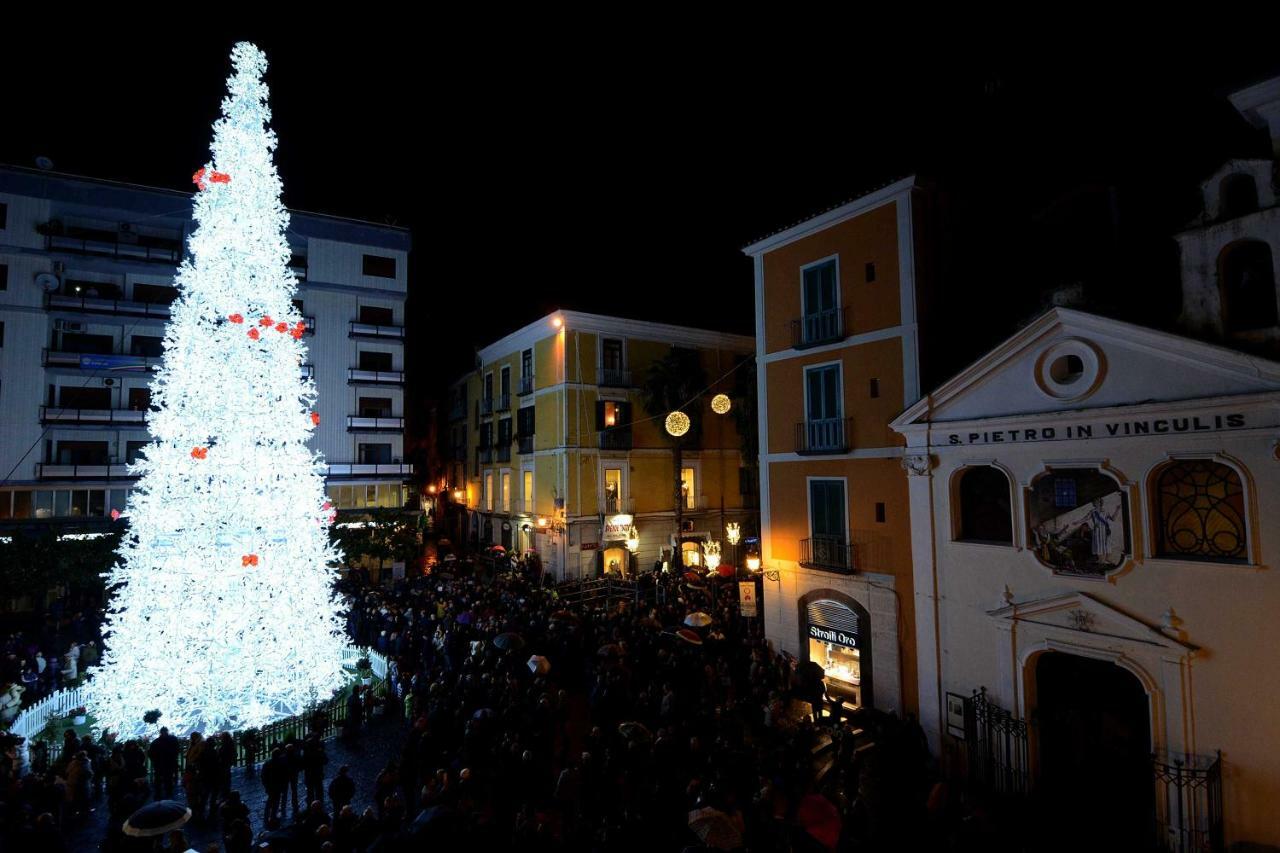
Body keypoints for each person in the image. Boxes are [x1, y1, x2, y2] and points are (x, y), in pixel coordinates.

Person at [149, 725, 180, 798]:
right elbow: (176, 750)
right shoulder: (172, 740)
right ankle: (165, 794)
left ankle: (160, 795)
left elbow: (151, 753)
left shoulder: (156, 742)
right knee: (166, 780)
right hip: (165, 764)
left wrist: (155, 761)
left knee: (163, 780)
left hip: (162, 764)